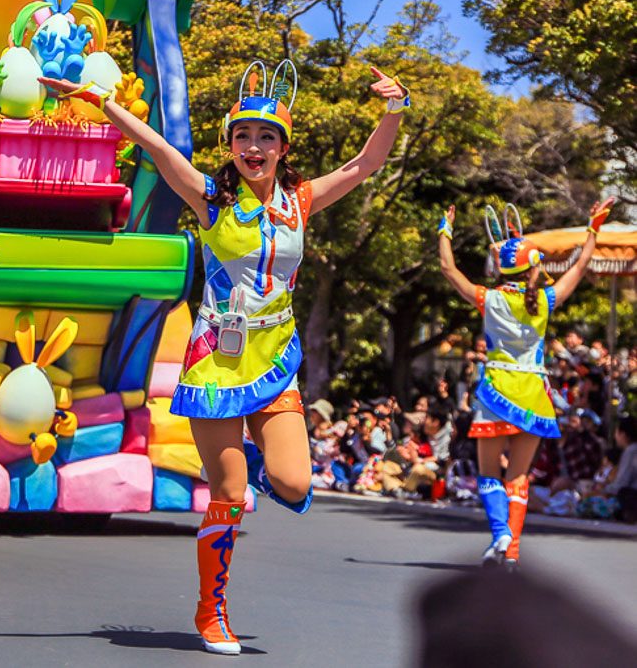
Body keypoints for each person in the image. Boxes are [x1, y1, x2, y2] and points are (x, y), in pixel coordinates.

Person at [41, 61, 409, 654]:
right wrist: (96, 100)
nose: (253, 146)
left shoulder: (301, 202)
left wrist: (395, 108)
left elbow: (363, 165)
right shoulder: (211, 200)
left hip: (273, 358)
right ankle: (212, 610)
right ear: (231, 145)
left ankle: (258, 467)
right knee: (230, 496)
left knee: (292, 483)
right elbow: (157, 147)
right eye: (243, 136)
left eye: (266, 137)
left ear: (283, 147)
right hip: (216, 363)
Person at [437, 197, 614, 569]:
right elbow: (581, 265)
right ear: (534, 269)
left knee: (489, 474)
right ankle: (511, 551)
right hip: (534, 394)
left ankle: (500, 533)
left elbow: (448, 268)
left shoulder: (490, 299)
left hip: (498, 392)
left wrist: (445, 229)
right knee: (518, 477)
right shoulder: (546, 300)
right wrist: (592, 227)